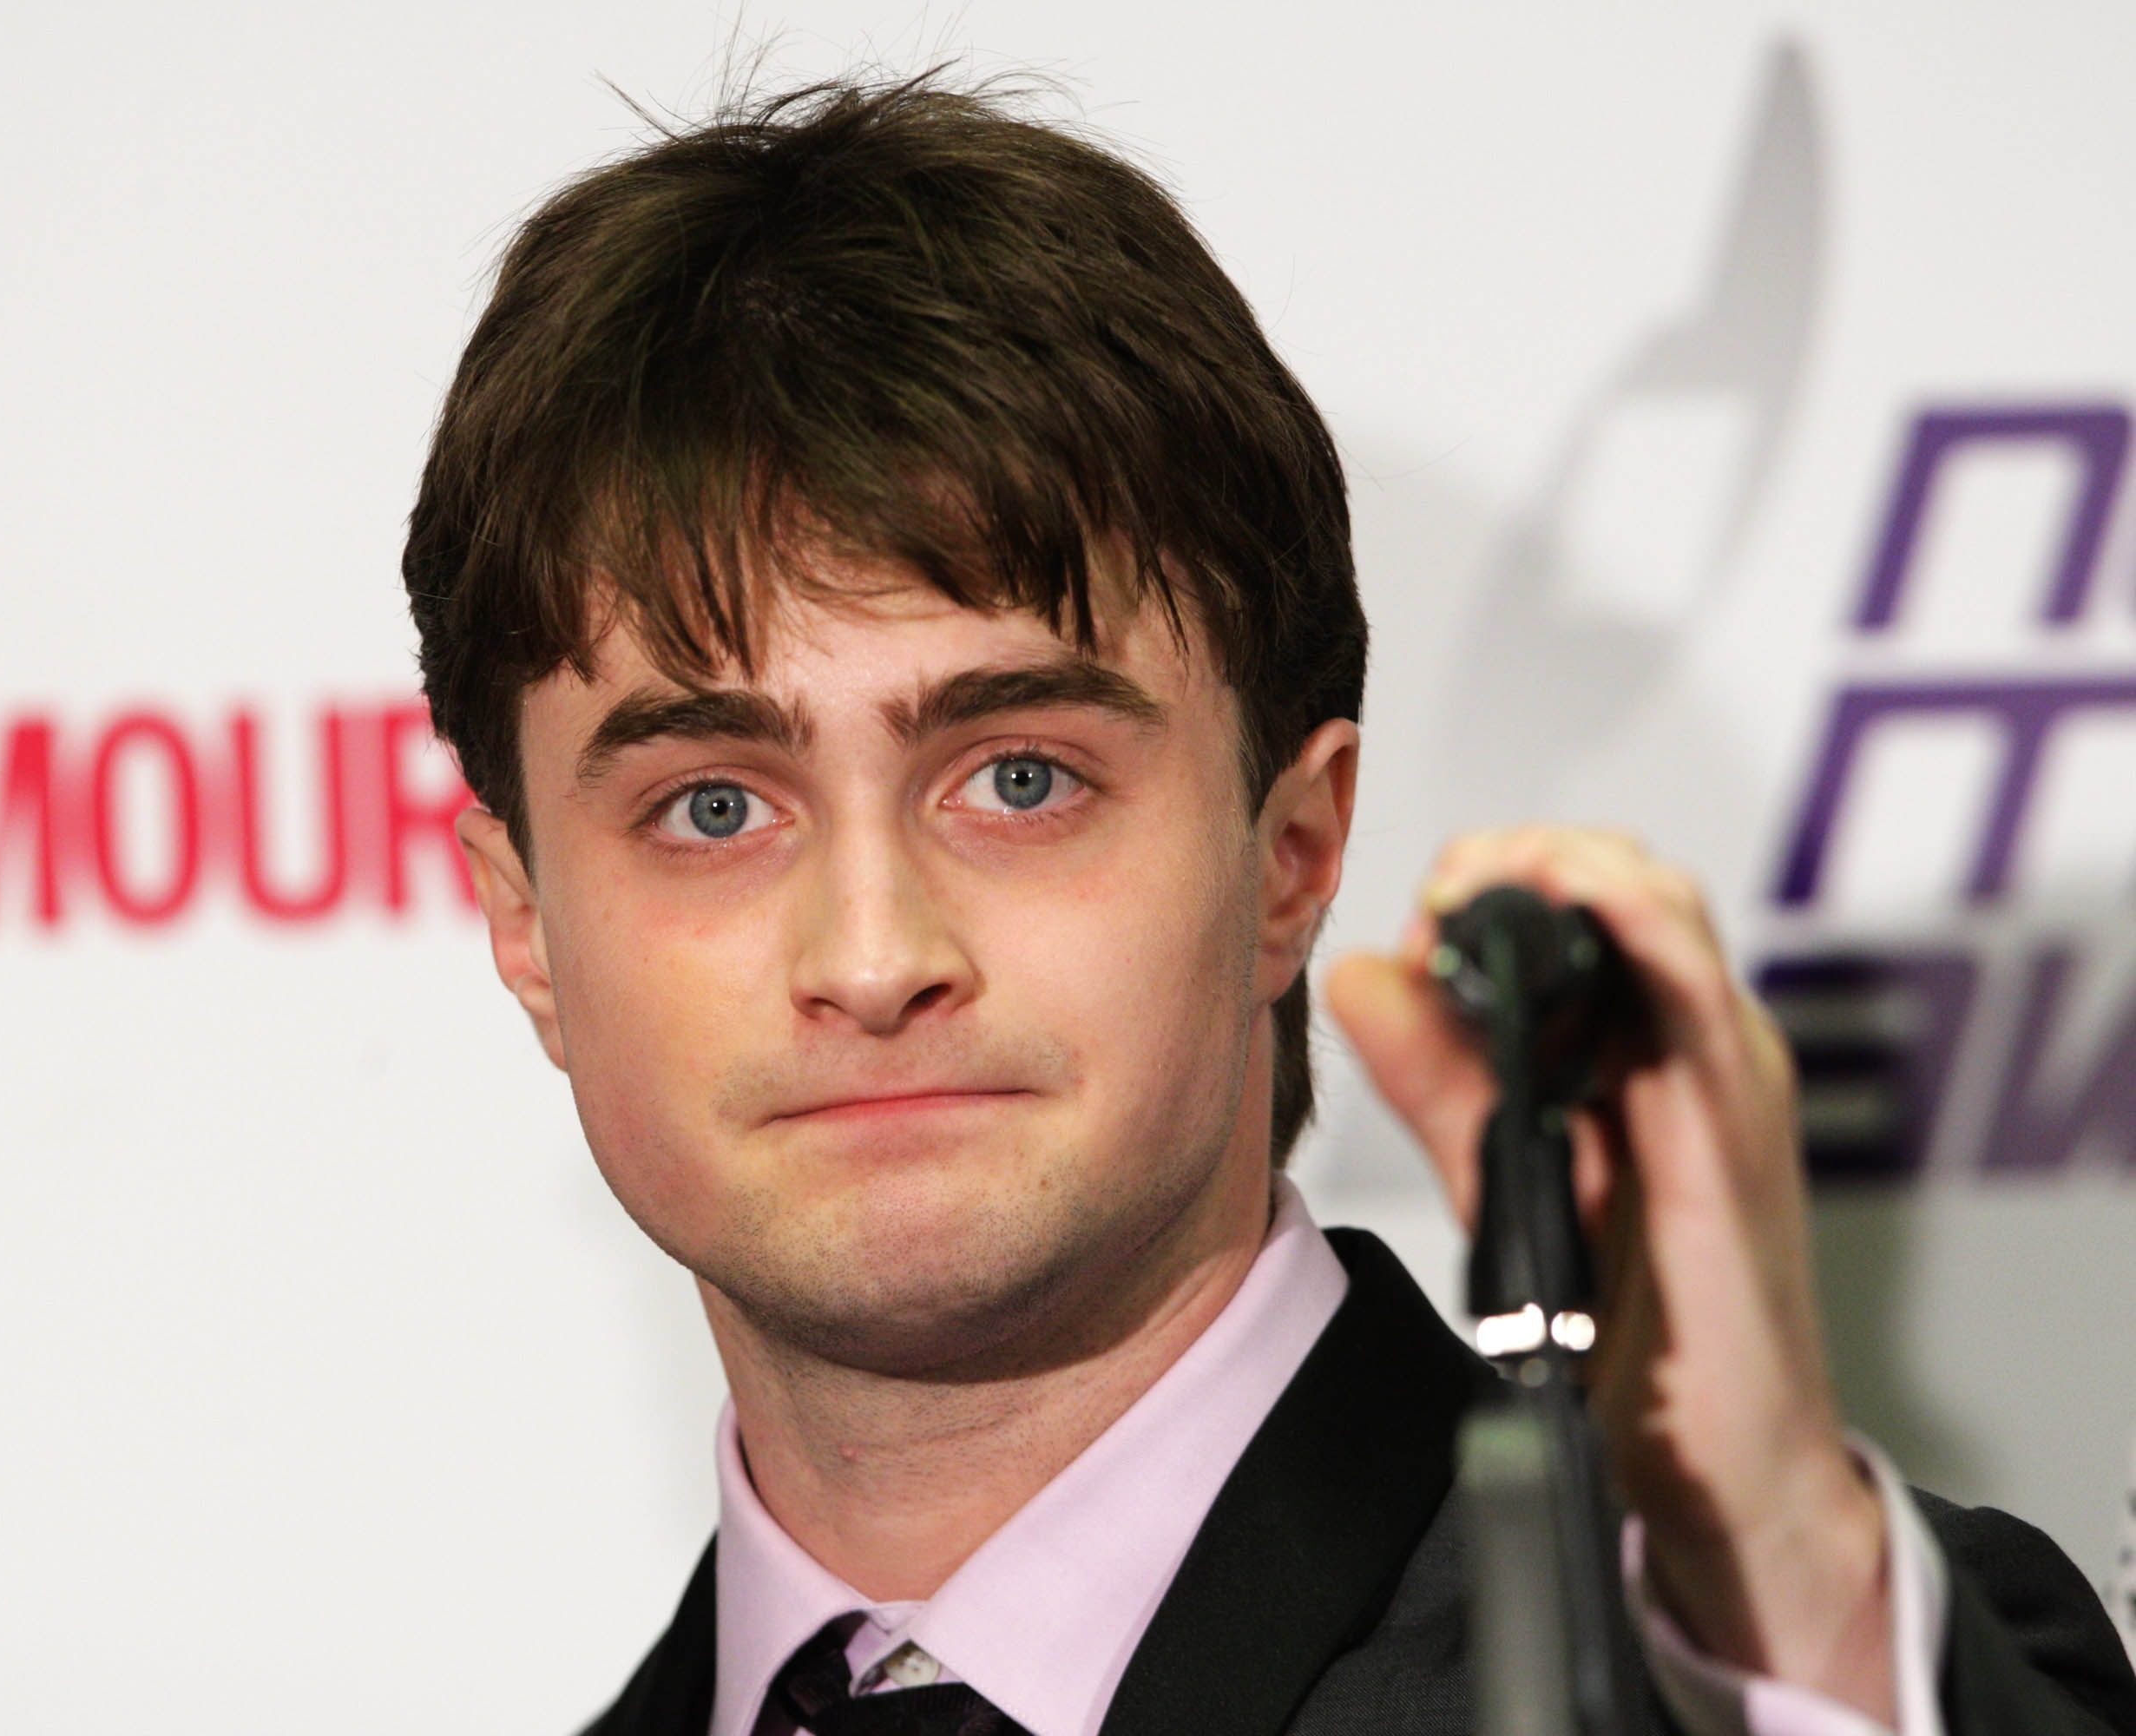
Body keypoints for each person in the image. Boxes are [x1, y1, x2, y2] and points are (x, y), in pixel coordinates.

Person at [401, 74, 2136, 1736]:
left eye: (1021, 779)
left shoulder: (1784, 1672)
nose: (872, 959)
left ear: (1292, 854)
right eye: (712, 808)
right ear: (525, 926)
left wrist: (1785, 1592)